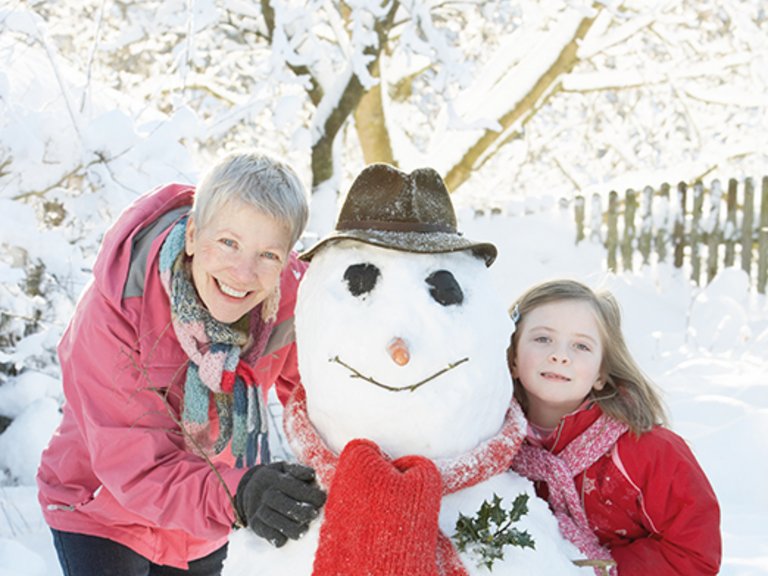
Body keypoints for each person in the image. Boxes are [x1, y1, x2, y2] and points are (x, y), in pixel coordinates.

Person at [37, 151, 327, 576]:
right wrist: (240, 494)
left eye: (268, 254)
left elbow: (323, 395)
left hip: (203, 524)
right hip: (103, 512)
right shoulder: (116, 312)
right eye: (228, 242)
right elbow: (137, 466)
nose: (243, 273)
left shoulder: (285, 304)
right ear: (192, 235)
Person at [507, 279, 721, 576]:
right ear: (513, 358)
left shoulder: (651, 451)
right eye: (543, 339)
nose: (560, 355)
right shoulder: (493, 447)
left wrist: (589, 570)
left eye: (581, 345)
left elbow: (692, 554)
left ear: (601, 373)